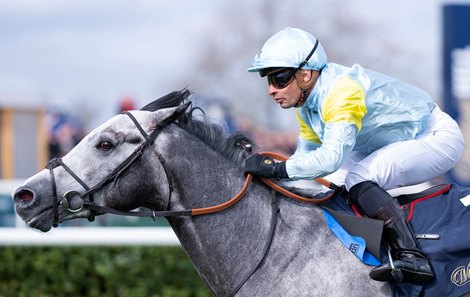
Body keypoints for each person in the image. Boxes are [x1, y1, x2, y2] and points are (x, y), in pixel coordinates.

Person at [243, 27, 464, 283]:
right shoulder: (306, 107)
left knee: (359, 177)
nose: (271, 89)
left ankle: (412, 256)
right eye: (268, 80)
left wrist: (276, 168)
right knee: (336, 182)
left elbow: (329, 158)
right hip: (393, 142)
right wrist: (268, 176)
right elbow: (304, 160)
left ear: (305, 75)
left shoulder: (341, 92)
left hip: (435, 136)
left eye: (279, 79)